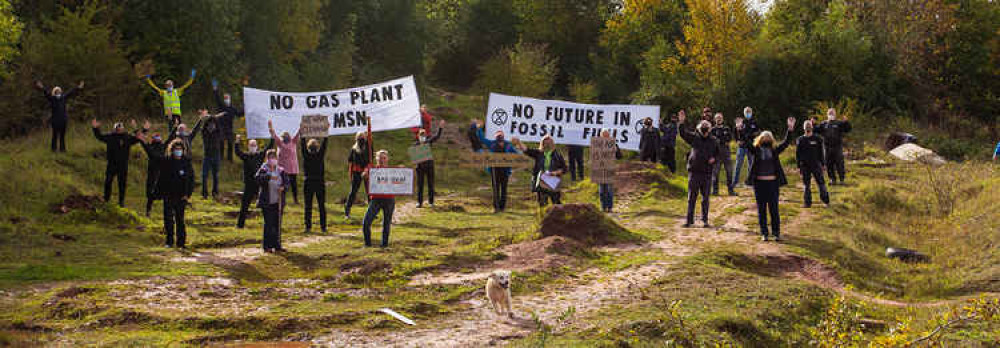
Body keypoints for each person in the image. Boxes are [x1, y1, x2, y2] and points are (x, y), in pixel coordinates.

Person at [746, 118, 796, 242]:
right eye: (764, 137)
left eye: (768, 137)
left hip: (773, 183)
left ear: (772, 139)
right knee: (761, 209)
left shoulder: (774, 150)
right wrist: (740, 129)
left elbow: (785, 143)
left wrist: (790, 129)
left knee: (774, 209)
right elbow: (746, 143)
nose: (766, 139)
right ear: (760, 139)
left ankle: (776, 232)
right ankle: (764, 233)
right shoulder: (756, 150)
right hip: (759, 184)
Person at [677, 112, 723, 228]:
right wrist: (681, 122)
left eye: (706, 129)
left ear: (709, 129)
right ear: (699, 129)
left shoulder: (714, 141)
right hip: (694, 172)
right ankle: (689, 220)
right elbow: (683, 134)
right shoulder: (694, 138)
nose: (704, 131)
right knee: (691, 197)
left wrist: (714, 159)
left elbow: (719, 155)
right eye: (703, 129)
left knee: (705, 198)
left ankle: (704, 220)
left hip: (707, 173)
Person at [92, 119, 142, 207]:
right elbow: (99, 136)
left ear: (123, 129)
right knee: (108, 181)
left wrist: (138, 128)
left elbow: (139, 138)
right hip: (111, 164)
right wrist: (96, 128)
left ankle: (121, 201)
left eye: (120, 128)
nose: (118, 129)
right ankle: (106, 198)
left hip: (123, 165)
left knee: (122, 184)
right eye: (117, 128)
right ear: (114, 129)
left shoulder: (127, 137)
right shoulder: (110, 137)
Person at [157, 139, 195, 248]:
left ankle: (181, 242)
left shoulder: (186, 162)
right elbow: (161, 178)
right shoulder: (167, 161)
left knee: (180, 219)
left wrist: (188, 194)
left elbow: (191, 180)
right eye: (176, 149)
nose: (178, 151)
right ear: (172, 150)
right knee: (168, 219)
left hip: (181, 196)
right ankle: (169, 241)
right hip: (168, 195)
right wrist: (159, 193)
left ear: (183, 150)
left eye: (180, 149)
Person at [515, 135, 567, 207]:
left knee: (556, 202)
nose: (547, 145)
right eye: (545, 143)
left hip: (553, 181)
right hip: (541, 180)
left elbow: (564, 169)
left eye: (549, 143)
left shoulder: (557, 155)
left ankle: (559, 217)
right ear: (542, 144)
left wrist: (555, 173)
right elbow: (527, 150)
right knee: (542, 202)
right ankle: (543, 216)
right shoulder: (538, 153)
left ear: (552, 144)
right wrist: (519, 142)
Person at [235, 135, 273, 229]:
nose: (252, 146)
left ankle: (268, 224)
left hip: (259, 184)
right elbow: (237, 152)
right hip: (248, 185)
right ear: (248, 146)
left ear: (257, 146)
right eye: (251, 145)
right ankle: (240, 225)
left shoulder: (260, 155)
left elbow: (269, 147)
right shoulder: (246, 156)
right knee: (244, 206)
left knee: (265, 205)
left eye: (254, 145)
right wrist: (237, 142)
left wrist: (272, 136)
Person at [36, 80, 83, 152]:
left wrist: (78, 87)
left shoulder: (63, 98)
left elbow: (71, 92)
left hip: (63, 120)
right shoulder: (52, 99)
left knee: (62, 136)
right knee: (54, 135)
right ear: (54, 92)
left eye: (59, 90)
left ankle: (62, 149)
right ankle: (53, 149)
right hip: (55, 121)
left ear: (61, 91)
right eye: (56, 91)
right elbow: (46, 92)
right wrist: (41, 87)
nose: (58, 92)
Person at [256, 149, 289, 253]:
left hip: (278, 202)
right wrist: (269, 176)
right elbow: (257, 179)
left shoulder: (280, 170)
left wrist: (283, 187)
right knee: (268, 224)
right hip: (267, 201)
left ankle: (277, 245)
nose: (273, 160)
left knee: (277, 224)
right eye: (271, 158)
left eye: (274, 157)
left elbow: (287, 183)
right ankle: (267, 246)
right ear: (267, 159)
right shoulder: (263, 169)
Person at [362, 150, 396, 247]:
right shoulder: (371, 168)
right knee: (366, 222)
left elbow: (401, 182)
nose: (382, 160)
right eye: (380, 158)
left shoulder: (393, 171)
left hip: (389, 199)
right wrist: (365, 175)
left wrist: (403, 172)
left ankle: (384, 245)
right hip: (376, 199)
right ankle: (367, 244)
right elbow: (364, 175)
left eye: (384, 158)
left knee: (386, 224)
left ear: (387, 159)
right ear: (376, 159)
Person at [479, 130, 519, 213]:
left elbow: (516, 153)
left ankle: (502, 207)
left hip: (505, 170)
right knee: (496, 189)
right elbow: (482, 139)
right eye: (498, 136)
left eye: (501, 136)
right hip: (494, 170)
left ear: (503, 137)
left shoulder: (508, 145)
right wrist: (479, 129)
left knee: (504, 189)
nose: (499, 137)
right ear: (495, 137)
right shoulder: (492, 144)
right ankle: (496, 207)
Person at [796, 120, 830, 208]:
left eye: (808, 127)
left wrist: (823, 164)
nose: (807, 128)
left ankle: (823, 201)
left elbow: (821, 153)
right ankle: (810, 203)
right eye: (807, 127)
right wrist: (798, 166)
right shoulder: (800, 140)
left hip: (814, 165)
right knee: (810, 184)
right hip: (807, 165)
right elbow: (798, 154)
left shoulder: (818, 139)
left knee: (819, 183)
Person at [301, 135, 330, 233]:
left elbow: (302, 146)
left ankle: (308, 226)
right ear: (317, 147)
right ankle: (323, 227)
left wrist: (302, 136)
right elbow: (324, 145)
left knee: (308, 205)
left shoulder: (306, 155)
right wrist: (325, 135)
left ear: (308, 147)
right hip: (319, 182)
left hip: (308, 181)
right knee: (321, 205)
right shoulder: (320, 155)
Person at [816, 108, 852, 185]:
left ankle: (842, 180)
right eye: (830, 113)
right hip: (827, 147)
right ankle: (832, 179)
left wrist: (846, 122)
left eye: (832, 113)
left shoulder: (839, 123)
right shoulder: (823, 124)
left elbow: (848, 129)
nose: (831, 114)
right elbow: (816, 130)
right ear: (827, 114)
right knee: (829, 164)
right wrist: (812, 124)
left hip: (837, 147)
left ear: (835, 115)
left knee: (839, 164)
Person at [268, 119, 301, 204]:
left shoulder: (293, 142)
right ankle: (282, 200)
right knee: (282, 185)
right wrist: (270, 127)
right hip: (283, 169)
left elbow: (299, 132)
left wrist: (302, 125)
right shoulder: (280, 143)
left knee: (294, 185)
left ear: (289, 137)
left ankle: (295, 200)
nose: (286, 138)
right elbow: (274, 135)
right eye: (284, 136)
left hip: (292, 168)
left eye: (287, 136)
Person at [137, 120, 165, 216]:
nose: (157, 137)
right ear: (153, 139)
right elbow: (141, 140)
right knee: (150, 194)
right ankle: (148, 211)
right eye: (155, 136)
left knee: (165, 192)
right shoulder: (150, 148)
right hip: (152, 173)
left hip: (162, 173)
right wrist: (143, 130)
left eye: (158, 136)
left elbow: (171, 138)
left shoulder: (163, 147)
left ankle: (169, 211)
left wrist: (174, 127)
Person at [212, 79, 244, 162]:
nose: (226, 99)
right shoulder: (221, 106)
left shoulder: (232, 108)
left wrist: (246, 109)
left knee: (230, 143)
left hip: (229, 128)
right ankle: (221, 158)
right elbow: (217, 99)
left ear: (230, 99)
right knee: (221, 143)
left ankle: (230, 159)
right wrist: (215, 89)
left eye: (227, 98)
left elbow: (239, 114)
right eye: (225, 98)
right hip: (221, 127)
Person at [415, 121, 445, 208]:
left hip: (429, 167)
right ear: (418, 136)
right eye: (421, 135)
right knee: (420, 185)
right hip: (420, 168)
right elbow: (414, 157)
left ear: (426, 136)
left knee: (431, 184)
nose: (422, 137)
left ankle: (431, 202)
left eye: (423, 135)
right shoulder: (415, 145)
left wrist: (440, 128)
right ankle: (419, 202)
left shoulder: (428, 142)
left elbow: (437, 137)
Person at [733, 106, 760, 188]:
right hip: (742, 146)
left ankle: (749, 182)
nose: (748, 113)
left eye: (749, 112)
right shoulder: (741, 122)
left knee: (751, 165)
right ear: (744, 113)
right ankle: (735, 182)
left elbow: (758, 132)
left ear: (751, 113)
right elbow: (735, 132)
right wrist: (737, 140)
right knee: (738, 164)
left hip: (751, 147)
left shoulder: (754, 122)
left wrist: (754, 136)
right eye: (746, 112)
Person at [200, 111, 226, 198]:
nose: (211, 127)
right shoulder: (205, 133)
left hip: (216, 157)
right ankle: (204, 193)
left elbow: (218, 126)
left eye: (213, 125)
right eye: (209, 125)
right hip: (207, 157)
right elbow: (203, 126)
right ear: (207, 126)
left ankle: (215, 192)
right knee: (204, 175)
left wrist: (213, 117)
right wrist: (208, 117)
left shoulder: (218, 133)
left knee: (215, 176)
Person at [345, 132, 370, 220]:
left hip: (367, 171)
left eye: (363, 137)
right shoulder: (354, 149)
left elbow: (369, 160)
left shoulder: (368, 147)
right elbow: (351, 161)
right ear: (356, 138)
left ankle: (371, 212)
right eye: (360, 137)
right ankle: (347, 212)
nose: (361, 139)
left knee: (369, 192)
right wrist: (350, 174)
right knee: (353, 192)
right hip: (357, 172)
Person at [710, 113, 736, 196]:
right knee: (715, 173)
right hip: (716, 154)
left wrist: (720, 140)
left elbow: (729, 138)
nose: (718, 119)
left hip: (726, 154)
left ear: (722, 119)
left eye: (720, 118)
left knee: (729, 172)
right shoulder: (712, 129)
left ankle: (731, 190)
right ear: (714, 119)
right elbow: (713, 140)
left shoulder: (727, 128)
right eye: (717, 118)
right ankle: (715, 191)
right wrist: (722, 141)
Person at [597, 129, 623, 212]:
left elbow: (619, 156)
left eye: (606, 135)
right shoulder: (597, 144)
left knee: (609, 190)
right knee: (601, 191)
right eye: (603, 135)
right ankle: (603, 207)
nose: (605, 137)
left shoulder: (613, 144)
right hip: (600, 170)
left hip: (610, 169)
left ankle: (610, 207)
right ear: (601, 136)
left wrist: (616, 149)